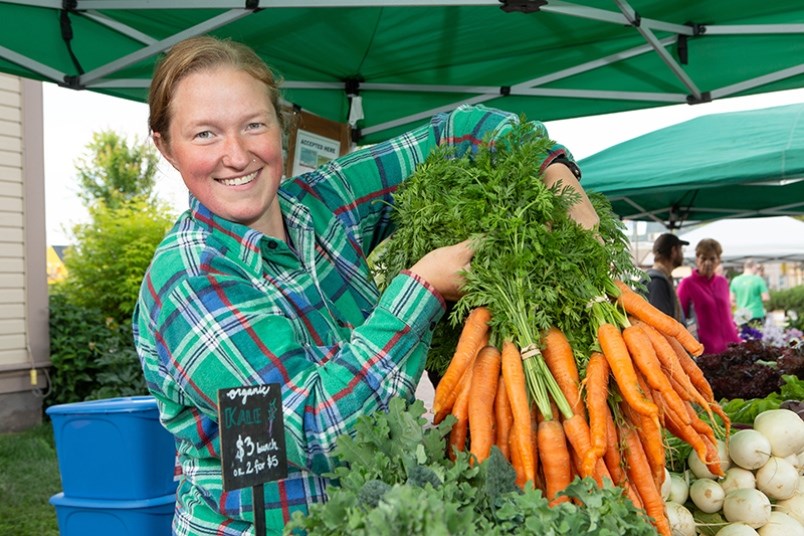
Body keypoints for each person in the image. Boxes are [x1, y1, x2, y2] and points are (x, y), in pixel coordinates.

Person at [132, 35, 599, 536]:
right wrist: (421, 290)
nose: (237, 154)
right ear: (166, 147)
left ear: (283, 127)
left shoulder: (319, 203)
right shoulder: (190, 279)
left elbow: (458, 134)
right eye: (205, 134)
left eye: (253, 125)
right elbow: (315, 429)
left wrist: (553, 173)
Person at [677, 238, 741, 355]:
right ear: (697, 259)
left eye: (712, 259)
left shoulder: (722, 282)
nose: (707, 263)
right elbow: (680, 319)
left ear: (718, 260)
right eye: (703, 258)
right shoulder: (687, 284)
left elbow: (727, 314)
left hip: (732, 347)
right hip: (707, 352)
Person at [645, 233, 688, 322]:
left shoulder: (660, 278)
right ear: (673, 251)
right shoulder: (657, 282)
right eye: (681, 250)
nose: (682, 255)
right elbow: (662, 322)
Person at [730, 258, 770, 327]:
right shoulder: (758, 279)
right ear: (753, 267)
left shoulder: (735, 280)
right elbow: (765, 298)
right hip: (756, 314)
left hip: (741, 315)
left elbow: (731, 299)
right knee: (757, 336)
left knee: (743, 336)